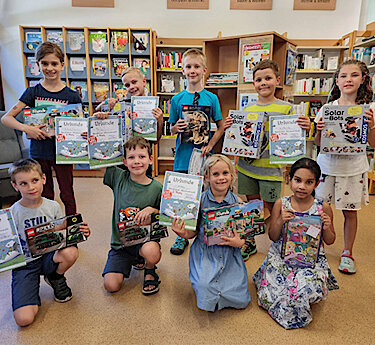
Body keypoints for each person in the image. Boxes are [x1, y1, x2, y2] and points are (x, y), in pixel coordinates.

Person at [226, 60, 310, 261]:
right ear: (253, 83)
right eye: (258, 80)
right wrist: (231, 129)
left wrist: (304, 127)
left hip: (271, 171)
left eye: (268, 78)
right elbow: (239, 139)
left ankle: (278, 241)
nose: (263, 83)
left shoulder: (287, 109)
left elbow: (293, 139)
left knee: (275, 208)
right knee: (252, 205)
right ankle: (251, 243)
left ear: (277, 80)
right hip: (247, 167)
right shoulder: (247, 109)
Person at [253, 158, 338, 329]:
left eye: (309, 182)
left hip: (310, 260)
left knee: (305, 289)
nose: (302, 186)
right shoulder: (281, 204)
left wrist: (327, 227)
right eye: (297, 180)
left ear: (316, 184)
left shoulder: (323, 207)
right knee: (274, 291)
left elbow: (330, 240)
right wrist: (279, 221)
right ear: (289, 179)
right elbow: (273, 236)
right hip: (282, 256)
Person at [1, 42, 82, 216]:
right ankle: (46, 226)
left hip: (64, 152)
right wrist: (26, 129)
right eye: (44, 63)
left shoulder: (72, 95)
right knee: (44, 193)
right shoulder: (32, 92)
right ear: (38, 65)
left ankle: (72, 228)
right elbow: (6, 118)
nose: (50, 68)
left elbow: (79, 126)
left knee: (67, 192)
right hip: (39, 151)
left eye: (54, 63)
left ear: (62, 64)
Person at [9, 158, 90, 327]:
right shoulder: (12, 213)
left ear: (44, 179)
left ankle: (55, 277)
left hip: (48, 256)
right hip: (26, 264)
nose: (31, 187)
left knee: (71, 251)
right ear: (15, 186)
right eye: (23, 183)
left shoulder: (53, 206)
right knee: (24, 319)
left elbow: (59, 230)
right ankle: (29, 289)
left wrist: (78, 232)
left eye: (35, 180)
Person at [314, 59, 375, 274]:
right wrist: (319, 129)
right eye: (343, 76)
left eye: (354, 75)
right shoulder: (327, 108)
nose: (348, 79)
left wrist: (371, 126)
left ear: (363, 80)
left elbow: (373, 143)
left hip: (353, 169)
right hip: (326, 167)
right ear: (337, 81)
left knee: (350, 211)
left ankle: (347, 252)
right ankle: (316, 246)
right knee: (321, 209)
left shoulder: (369, 109)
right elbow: (319, 143)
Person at [171, 154, 250, 312]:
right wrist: (182, 233)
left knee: (241, 300)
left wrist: (239, 243)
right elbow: (192, 234)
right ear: (206, 177)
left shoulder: (239, 203)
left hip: (230, 255)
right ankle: (202, 282)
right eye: (215, 174)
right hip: (205, 253)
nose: (221, 178)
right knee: (205, 288)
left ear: (232, 175)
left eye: (225, 173)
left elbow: (245, 237)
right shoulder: (198, 202)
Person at [168, 48, 225, 255]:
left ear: (204, 70)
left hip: (203, 155)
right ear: (183, 70)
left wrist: (211, 145)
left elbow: (220, 127)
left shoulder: (211, 98)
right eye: (188, 67)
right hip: (183, 156)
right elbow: (171, 126)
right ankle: (180, 235)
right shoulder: (176, 99)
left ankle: (202, 231)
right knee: (183, 195)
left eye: (196, 67)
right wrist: (176, 128)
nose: (192, 70)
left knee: (202, 194)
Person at [102, 136, 163, 295]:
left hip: (145, 240)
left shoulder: (157, 187)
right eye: (131, 157)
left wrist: (153, 210)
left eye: (142, 157)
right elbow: (100, 159)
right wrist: (98, 126)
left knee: (152, 253)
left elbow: (165, 214)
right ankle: (135, 260)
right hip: (121, 245)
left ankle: (149, 267)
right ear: (124, 161)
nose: (137, 161)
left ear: (150, 160)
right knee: (111, 286)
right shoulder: (118, 178)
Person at [94, 66, 163, 142]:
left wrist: (160, 121)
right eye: (127, 85)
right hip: (125, 151)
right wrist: (106, 103)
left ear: (144, 82)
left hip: (143, 151)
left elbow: (156, 140)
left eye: (134, 82)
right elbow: (96, 110)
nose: (131, 87)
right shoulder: (121, 104)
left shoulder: (153, 105)